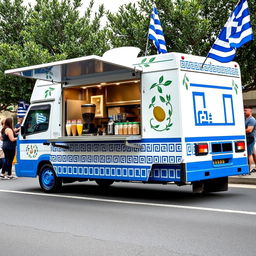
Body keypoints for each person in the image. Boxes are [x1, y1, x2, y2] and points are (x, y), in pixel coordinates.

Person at [244, 106, 256, 173]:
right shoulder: (246, 118)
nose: (244, 112)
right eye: (244, 110)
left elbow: (249, 130)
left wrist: (239, 130)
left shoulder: (251, 119)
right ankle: (253, 167)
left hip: (251, 138)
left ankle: (251, 167)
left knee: (249, 153)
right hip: (248, 138)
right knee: (252, 153)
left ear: (250, 111)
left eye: (246, 110)